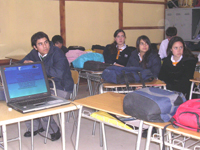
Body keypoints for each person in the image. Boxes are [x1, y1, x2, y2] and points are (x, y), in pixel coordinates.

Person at [19, 31, 74, 141]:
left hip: (61, 87)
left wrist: (37, 66)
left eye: (46, 42)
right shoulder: (34, 53)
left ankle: (53, 130)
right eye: (40, 44)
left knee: (41, 101)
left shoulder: (57, 53)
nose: (44, 46)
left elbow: (58, 73)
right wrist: (24, 64)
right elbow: (22, 63)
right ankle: (35, 127)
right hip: (45, 86)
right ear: (35, 47)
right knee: (24, 96)